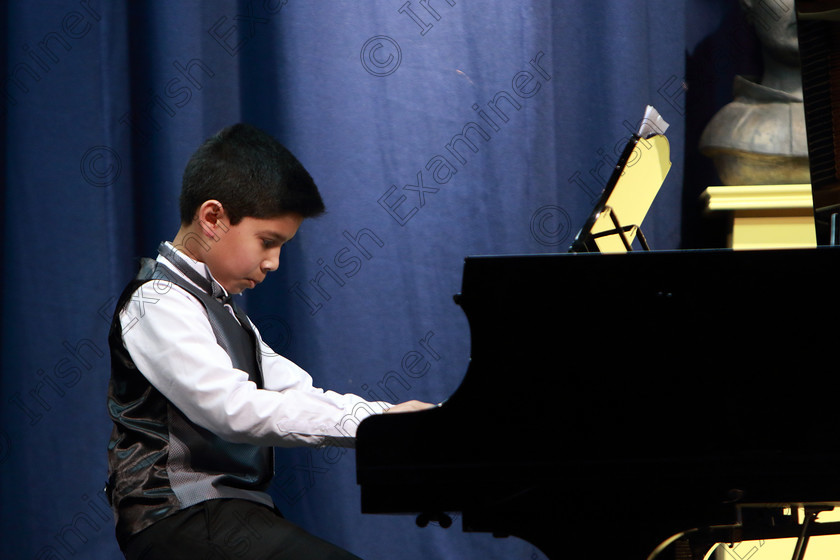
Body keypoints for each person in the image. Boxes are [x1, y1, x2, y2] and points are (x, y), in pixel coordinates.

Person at [105, 123, 432, 560]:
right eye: (268, 241)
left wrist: (389, 416)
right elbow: (233, 410)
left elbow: (298, 393)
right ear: (213, 218)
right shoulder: (157, 301)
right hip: (176, 517)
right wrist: (377, 428)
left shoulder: (222, 311)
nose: (274, 262)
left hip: (226, 515)